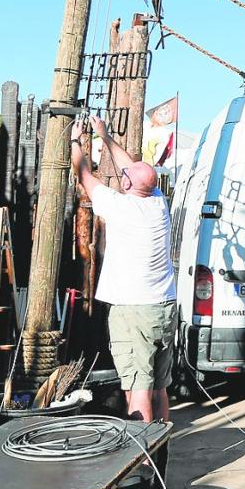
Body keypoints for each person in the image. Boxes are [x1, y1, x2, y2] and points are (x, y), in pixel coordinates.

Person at [71, 116, 176, 422]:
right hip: (163, 307)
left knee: (136, 389)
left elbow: (84, 175)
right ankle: (160, 452)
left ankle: (141, 458)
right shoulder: (158, 204)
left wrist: (77, 141)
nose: (122, 174)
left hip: (134, 311)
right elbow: (135, 169)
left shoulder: (119, 207)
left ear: (128, 183)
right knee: (159, 388)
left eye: (125, 175)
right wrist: (106, 137)